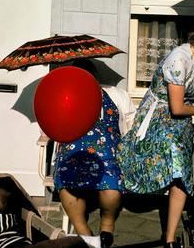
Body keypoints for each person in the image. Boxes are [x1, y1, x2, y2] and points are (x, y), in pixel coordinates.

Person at [117, 17, 194, 248]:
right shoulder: (178, 59)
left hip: (179, 125)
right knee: (168, 171)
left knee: (181, 177)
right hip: (160, 121)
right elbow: (176, 108)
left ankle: (169, 239)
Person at [50, 59, 136, 248]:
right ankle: (85, 235)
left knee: (112, 189)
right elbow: (50, 127)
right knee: (66, 184)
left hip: (107, 156)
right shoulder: (65, 97)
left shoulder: (115, 95)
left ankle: (107, 228)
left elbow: (131, 126)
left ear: (95, 78)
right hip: (73, 156)